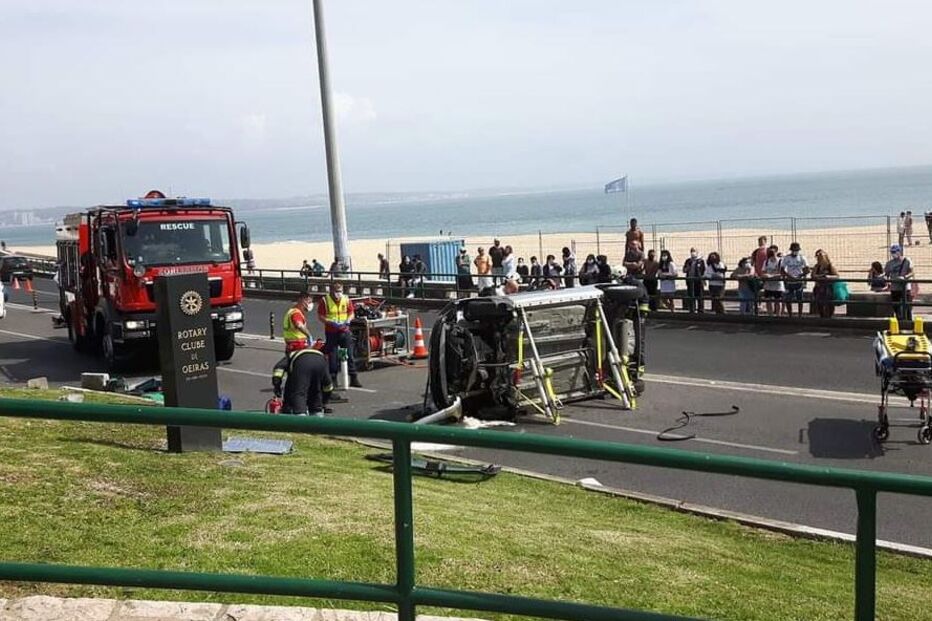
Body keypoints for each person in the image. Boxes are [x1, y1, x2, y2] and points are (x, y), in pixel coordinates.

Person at [317, 282, 362, 388]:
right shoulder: (325, 301)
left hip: (344, 332)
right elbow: (320, 316)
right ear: (331, 291)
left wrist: (347, 321)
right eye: (336, 291)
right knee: (333, 357)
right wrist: (330, 322)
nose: (339, 293)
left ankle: (353, 377)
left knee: (348, 355)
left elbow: (351, 313)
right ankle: (333, 379)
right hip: (332, 332)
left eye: (340, 291)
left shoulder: (346, 299)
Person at [272, 343, 334, 416]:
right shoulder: (318, 354)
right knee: (316, 390)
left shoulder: (292, 354)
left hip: (303, 364)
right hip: (321, 361)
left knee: (299, 392)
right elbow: (328, 386)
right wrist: (324, 401)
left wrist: (277, 385)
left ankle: (300, 417)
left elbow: (279, 368)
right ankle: (317, 414)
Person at [884, 244, 914, 320]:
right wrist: (886, 281)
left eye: (895, 252)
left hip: (905, 288)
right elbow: (886, 274)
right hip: (894, 288)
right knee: (896, 307)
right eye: (892, 252)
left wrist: (904, 277)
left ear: (899, 252)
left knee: (907, 307)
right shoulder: (889, 263)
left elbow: (912, 272)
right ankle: (899, 322)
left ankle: (909, 322)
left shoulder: (907, 261)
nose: (893, 254)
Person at [780, 242, 809, 317]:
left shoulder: (802, 258)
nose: (795, 251)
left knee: (800, 299)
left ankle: (800, 315)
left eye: (796, 250)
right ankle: (790, 315)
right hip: (790, 282)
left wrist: (801, 275)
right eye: (793, 250)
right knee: (788, 299)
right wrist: (788, 276)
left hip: (799, 281)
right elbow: (782, 270)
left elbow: (807, 270)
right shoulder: (786, 258)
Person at [812, 249, 839, 319]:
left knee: (830, 303)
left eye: (821, 257)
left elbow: (836, 276)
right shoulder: (816, 266)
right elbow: (813, 275)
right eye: (817, 257)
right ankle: (822, 316)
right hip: (819, 287)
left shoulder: (830, 266)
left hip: (829, 287)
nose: (819, 259)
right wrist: (820, 276)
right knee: (819, 303)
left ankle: (830, 316)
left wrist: (828, 277)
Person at [761, 245, 784, 316]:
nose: (771, 253)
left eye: (773, 252)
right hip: (768, 285)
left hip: (777, 285)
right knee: (768, 300)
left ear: (776, 252)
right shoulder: (766, 262)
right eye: (770, 252)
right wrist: (766, 276)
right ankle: (770, 315)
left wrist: (772, 276)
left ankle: (778, 315)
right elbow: (763, 272)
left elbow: (782, 273)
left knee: (778, 300)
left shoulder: (780, 261)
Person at [682, 248, 705, 313]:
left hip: (698, 281)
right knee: (691, 295)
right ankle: (692, 309)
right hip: (690, 281)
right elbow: (684, 270)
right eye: (692, 251)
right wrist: (687, 268)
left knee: (699, 295)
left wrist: (702, 278)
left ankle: (701, 310)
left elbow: (703, 270)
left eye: (694, 251)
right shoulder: (688, 261)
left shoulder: (701, 261)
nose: (693, 253)